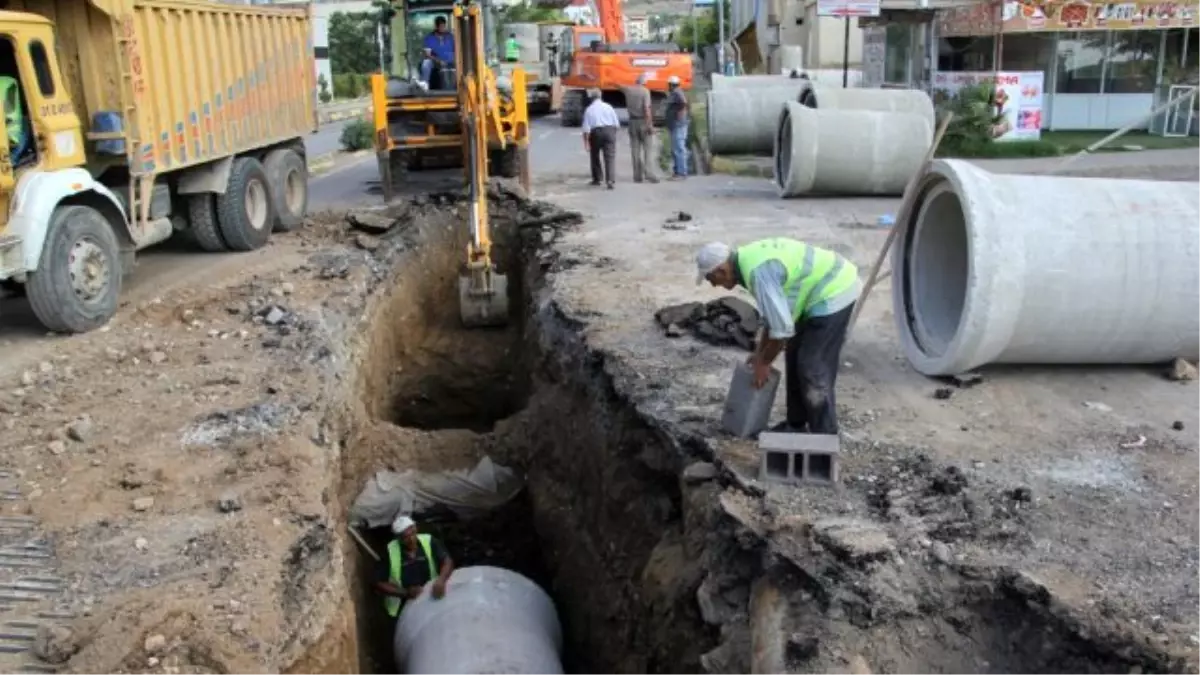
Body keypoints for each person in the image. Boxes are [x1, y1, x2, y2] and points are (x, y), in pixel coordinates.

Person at [695, 239, 861, 435]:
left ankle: (825, 437)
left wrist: (764, 363)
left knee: (813, 368)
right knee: (794, 354)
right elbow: (772, 317)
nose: (714, 285)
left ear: (721, 270)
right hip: (813, 294)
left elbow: (780, 330)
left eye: (710, 278)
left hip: (834, 289)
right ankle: (796, 425)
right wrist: (759, 353)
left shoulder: (758, 273)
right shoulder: (748, 264)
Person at [375, 514, 455, 620]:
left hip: (431, 598)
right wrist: (406, 592)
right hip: (402, 608)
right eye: (405, 537)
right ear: (398, 538)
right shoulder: (390, 551)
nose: (411, 539)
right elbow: (379, 582)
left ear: (416, 529)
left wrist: (441, 580)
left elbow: (447, 561)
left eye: (413, 534)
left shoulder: (429, 541)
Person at [580, 88, 619, 189]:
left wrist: (586, 144)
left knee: (595, 156)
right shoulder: (608, 107)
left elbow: (586, 129)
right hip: (609, 131)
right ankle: (610, 180)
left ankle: (597, 179)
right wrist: (613, 135)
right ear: (601, 97)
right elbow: (616, 124)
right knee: (610, 157)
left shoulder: (589, 109)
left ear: (592, 98)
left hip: (596, 133)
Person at [623, 73, 658, 184]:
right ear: (644, 82)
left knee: (635, 150)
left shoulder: (628, 90)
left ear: (636, 81)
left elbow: (618, 86)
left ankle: (637, 176)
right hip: (643, 121)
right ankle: (649, 174)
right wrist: (650, 125)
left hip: (632, 122)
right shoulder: (645, 91)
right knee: (648, 150)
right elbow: (646, 109)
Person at [664, 75, 689, 180]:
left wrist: (679, 114)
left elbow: (683, 103)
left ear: (671, 84)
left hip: (678, 124)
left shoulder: (677, 92)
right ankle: (677, 171)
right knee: (676, 149)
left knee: (679, 149)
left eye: (669, 85)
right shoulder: (676, 92)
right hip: (675, 124)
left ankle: (681, 172)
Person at [422, 16, 455, 87]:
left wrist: (455, 59)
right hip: (436, 63)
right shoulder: (429, 38)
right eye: (441, 26)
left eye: (444, 26)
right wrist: (438, 61)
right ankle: (424, 85)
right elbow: (427, 54)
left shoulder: (451, 37)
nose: (443, 28)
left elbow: (458, 50)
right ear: (436, 27)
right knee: (426, 63)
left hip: (452, 62)